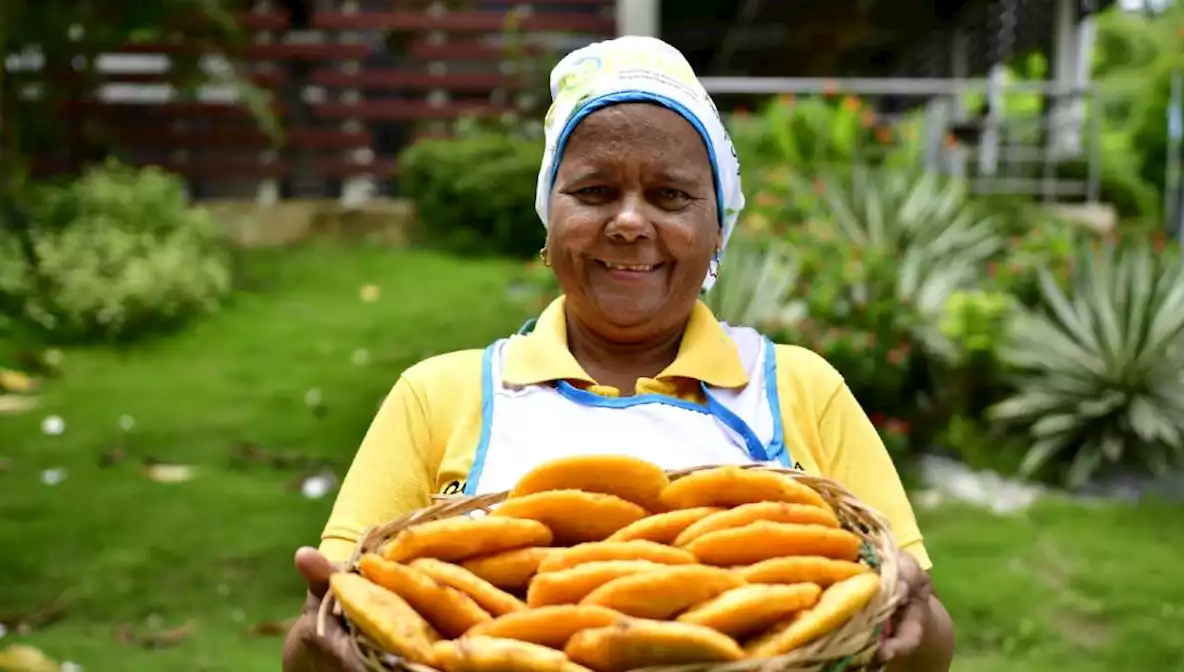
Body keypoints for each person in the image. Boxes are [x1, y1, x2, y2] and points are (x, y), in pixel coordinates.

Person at [282, 35, 954, 672]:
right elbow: (331, 623)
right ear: (550, 220)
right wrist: (320, 644)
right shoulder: (439, 397)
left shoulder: (797, 387)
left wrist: (909, 630)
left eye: (670, 195)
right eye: (596, 191)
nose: (630, 222)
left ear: (717, 229)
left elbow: (924, 629)